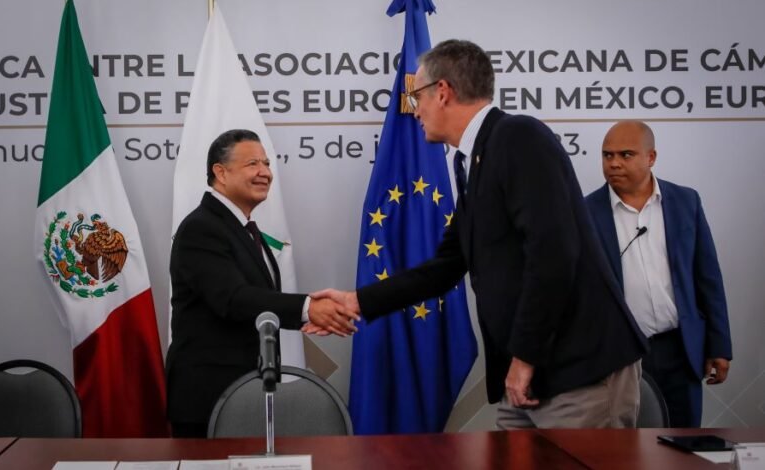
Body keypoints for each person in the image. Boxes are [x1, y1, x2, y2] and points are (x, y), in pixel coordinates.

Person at [310, 40, 648, 429]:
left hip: (578, 372)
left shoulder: (518, 137)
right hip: (528, 375)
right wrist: (356, 301)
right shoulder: (473, 160)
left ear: (442, 92)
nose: (415, 110)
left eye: (417, 97)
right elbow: (444, 268)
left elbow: (554, 255)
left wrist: (525, 357)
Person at [166, 129, 357, 437]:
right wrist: (308, 308)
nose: (265, 172)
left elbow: (256, 301)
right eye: (252, 164)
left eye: (267, 164)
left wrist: (306, 312)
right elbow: (234, 299)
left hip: (244, 394)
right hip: (208, 399)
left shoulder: (241, 228)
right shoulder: (201, 228)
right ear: (221, 173)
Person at [585, 120, 732, 427]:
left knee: (683, 442)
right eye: (607, 155)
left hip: (680, 348)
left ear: (651, 157)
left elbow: (708, 278)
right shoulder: (585, 212)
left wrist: (719, 345)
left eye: (626, 155)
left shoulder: (685, 202)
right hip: (620, 355)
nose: (614, 163)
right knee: (625, 446)